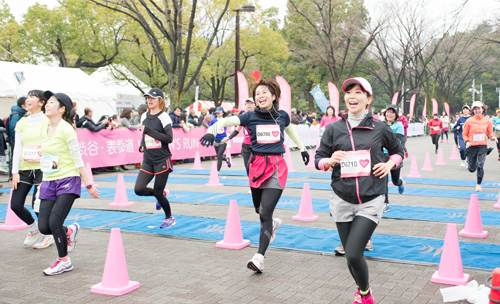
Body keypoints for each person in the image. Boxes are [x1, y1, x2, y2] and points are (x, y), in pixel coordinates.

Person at [200, 79, 310, 273]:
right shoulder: (249, 117)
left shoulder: (282, 116)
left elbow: (291, 131)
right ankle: (273, 224)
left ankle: (259, 257)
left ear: (274, 96)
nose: (260, 96)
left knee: (265, 213)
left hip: (277, 166)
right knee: (260, 211)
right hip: (256, 166)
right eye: (257, 93)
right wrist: (211, 131)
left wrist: (302, 149)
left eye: (264, 92)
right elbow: (226, 121)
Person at [315, 77, 403, 304]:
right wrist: (328, 160)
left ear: (368, 99)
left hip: (371, 198)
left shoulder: (380, 127)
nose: (352, 97)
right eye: (349, 92)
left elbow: (398, 151)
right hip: (342, 198)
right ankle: (364, 291)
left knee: (353, 252)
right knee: (351, 259)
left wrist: (389, 164)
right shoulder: (334, 128)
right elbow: (318, 159)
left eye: (358, 92)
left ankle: (365, 295)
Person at [38, 91, 100, 275]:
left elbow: (78, 159)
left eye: (51, 102)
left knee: (55, 221)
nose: (47, 105)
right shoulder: (44, 127)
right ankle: (69, 231)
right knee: (44, 226)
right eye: (46, 102)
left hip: (68, 179)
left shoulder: (67, 129)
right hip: (49, 180)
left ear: (62, 108)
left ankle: (64, 260)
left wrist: (88, 184)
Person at [10, 90, 54, 249]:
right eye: (27, 97)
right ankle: (34, 228)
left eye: (32, 97)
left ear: (42, 102)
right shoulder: (22, 122)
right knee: (15, 204)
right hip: (24, 169)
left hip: (43, 169)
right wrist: (14, 171)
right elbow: (17, 147)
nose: (28, 100)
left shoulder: (47, 121)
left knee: (39, 206)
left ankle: (48, 234)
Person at [134, 88, 175, 228]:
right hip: (148, 159)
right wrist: (142, 145)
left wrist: (150, 131)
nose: (149, 100)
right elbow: (144, 135)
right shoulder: (144, 116)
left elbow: (169, 138)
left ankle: (169, 217)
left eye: (153, 98)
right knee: (138, 189)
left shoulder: (164, 117)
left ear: (160, 100)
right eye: (148, 98)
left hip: (162, 159)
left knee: (157, 191)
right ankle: (161, 194)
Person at [462, 101, 497, 191]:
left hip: (482, 146)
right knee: (472, 169)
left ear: (483, 109)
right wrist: (467, 141)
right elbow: (464, 134)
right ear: (473, 110)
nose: (477, 111)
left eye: (479, 108)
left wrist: (492, 137)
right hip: (472, 146)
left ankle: (478, 184)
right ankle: (469, 161)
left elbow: (489, 132)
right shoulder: (469, 121)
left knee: (480, 165)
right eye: (475, 109)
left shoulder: (487, 120)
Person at [382, 105, 405, 213]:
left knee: (394, 181)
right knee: (383, 180)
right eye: (387, 112)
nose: (389, 114)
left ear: (396, 115)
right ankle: (385, 203)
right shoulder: (381, 124)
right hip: (382, 155)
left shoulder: (399, 126)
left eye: (392, 112)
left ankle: (400, 183)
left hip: (394, 155)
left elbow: (396, 140)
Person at [226, 98, 256, 175]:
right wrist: (229, 137)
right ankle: (252, 184)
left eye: (251, 103)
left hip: (256, 145)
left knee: (252, 165)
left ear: (255, 105)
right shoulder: (244, 117)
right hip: (246, 145)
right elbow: (237, 130)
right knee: (247, 167)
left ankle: (256, 183)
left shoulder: (259, 116)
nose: (249, 104)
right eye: (247, 103)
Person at [208, 107, 231, 171]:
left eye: (219, 112)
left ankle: (217, 171)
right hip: (215, 139)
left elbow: (233, 125)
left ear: (222, 113)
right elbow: (210, 127)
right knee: (219, 155)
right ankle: (226, 159)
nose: (218, 113)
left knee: (219, 155)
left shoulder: (225, 120)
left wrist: (231, 130)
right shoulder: (213, 120)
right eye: (217, 112)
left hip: (223, 139)